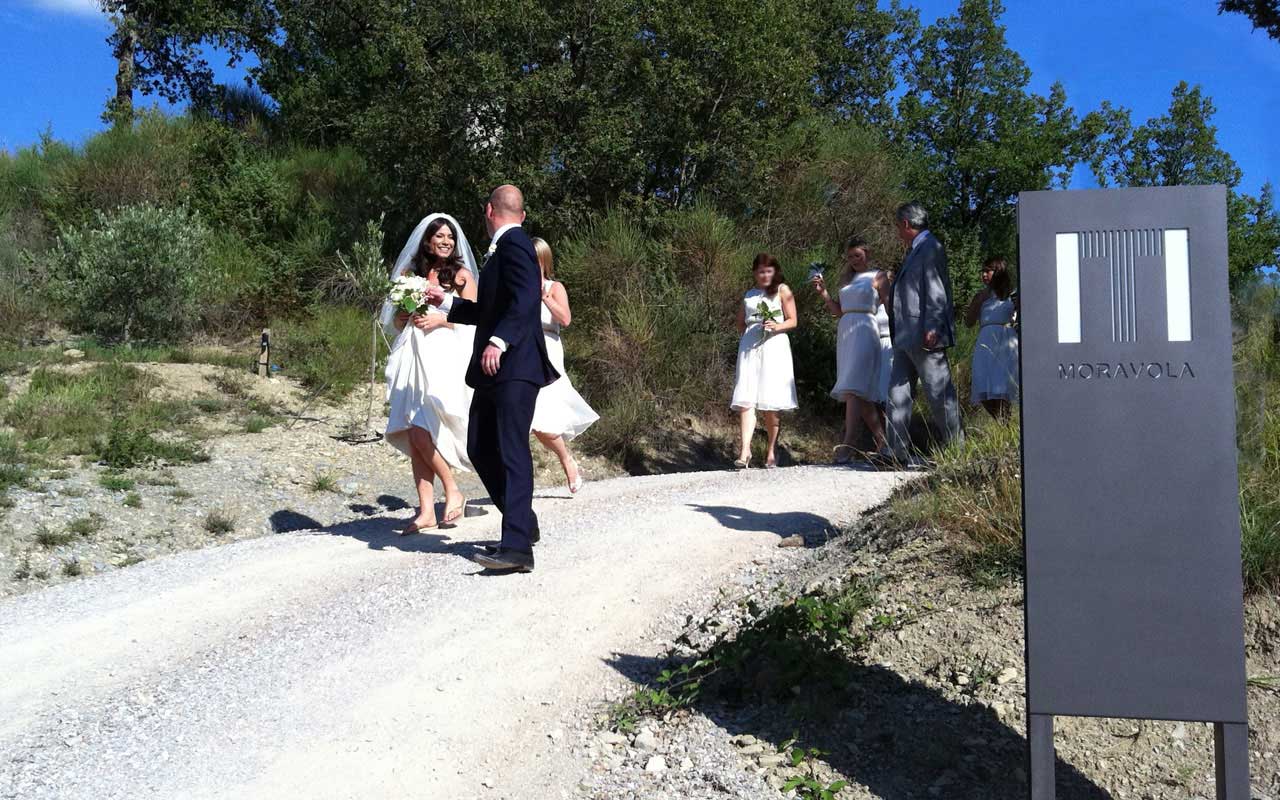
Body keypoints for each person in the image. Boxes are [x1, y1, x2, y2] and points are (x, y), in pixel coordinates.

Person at [426, 185, 558, 573]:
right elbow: (491, 308)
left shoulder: (514, 243)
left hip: (514, 365)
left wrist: (499, 341)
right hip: (496, 370)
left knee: (511, 449)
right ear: (522, 212)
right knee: (481, 447)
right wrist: (447, 302)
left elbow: (526, 296)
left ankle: (516, 547)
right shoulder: (506, 246)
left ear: (488, 210)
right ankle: (523, 522)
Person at [381, 214, 478, 533]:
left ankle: (452, 490)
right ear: (427, 241)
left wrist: (442, 321)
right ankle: (426, 511)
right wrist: (405, 316)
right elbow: (396, 322)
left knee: (423, 430)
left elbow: (479, 321)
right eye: (440, 236)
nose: (446, 241)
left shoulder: (461, 276)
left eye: (450, 236)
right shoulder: (411, 274)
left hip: (442, 356)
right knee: (413, 431)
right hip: (412, 353)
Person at [885, 202, 963, 464]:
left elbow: (936, 291)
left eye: (898, 226)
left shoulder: (930, 248)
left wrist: (933, 326)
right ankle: (895, 452)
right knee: (897, 393)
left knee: (939, 393)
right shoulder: (914, 250)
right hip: (905, 335)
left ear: (906, 224)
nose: (897, 231)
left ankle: (957, 452)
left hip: (924, 334)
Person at [529, 237, 598, 493]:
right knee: (530, 420)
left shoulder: (554, 286)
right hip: (522, 351)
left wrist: (545, 298)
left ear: (543, 261)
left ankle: (567, 461)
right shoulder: (517, 285)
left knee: (542, 422)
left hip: (548, 350)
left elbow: (565, 319)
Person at [812, 236, 889, 463]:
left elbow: (890, 304)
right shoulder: (848, 279)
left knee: (854, 388)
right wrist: (824, 293)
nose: (854, 260)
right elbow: (838, 311)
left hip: (867, 329)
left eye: (858, 255)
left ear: (867, 253)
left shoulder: (878, 276)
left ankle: (848, 442)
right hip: (846, 331)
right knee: (858, 391)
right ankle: (883, 442)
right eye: (850, 256)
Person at [731, 253, 798, 469]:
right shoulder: (749, 295)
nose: (765, 275)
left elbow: (793, 320)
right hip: (750, 347)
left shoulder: (782, 290)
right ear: (755, 273)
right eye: (761, 271)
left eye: (769, 271)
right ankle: (745, 451)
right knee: (746, 398)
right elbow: (740, 322)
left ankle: (771, 450)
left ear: (774, 272)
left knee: (771, 401)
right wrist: (748, 336)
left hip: (774, 346)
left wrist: (776, 327)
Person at [964, 257, 1020, 418]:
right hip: (985, 343)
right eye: (982, 271)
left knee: (1002, 386)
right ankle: (1001, 421)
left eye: (987, 271)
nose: (984, 275)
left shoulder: (1011, 294)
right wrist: (978, 302)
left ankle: (1006, 424)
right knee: (983, 386)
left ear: (998, 272)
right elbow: (968, 322)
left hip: (1006, 341)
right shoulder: (981, 296)